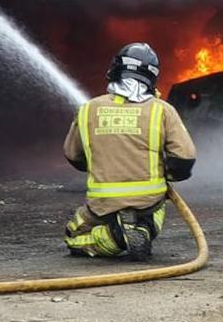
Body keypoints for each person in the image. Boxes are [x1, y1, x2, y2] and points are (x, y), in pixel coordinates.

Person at [63, 43, 197, 260]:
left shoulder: (88, 109)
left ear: (115, 70)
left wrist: (104, 161)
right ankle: (142, 229)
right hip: (149, 203)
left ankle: (115, 236)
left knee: (73, 237)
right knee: (153, 212)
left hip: (102, 204)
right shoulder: (162, 110)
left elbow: (74, 156)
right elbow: (185, 158)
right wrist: (168, 175)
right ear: (152, 77)